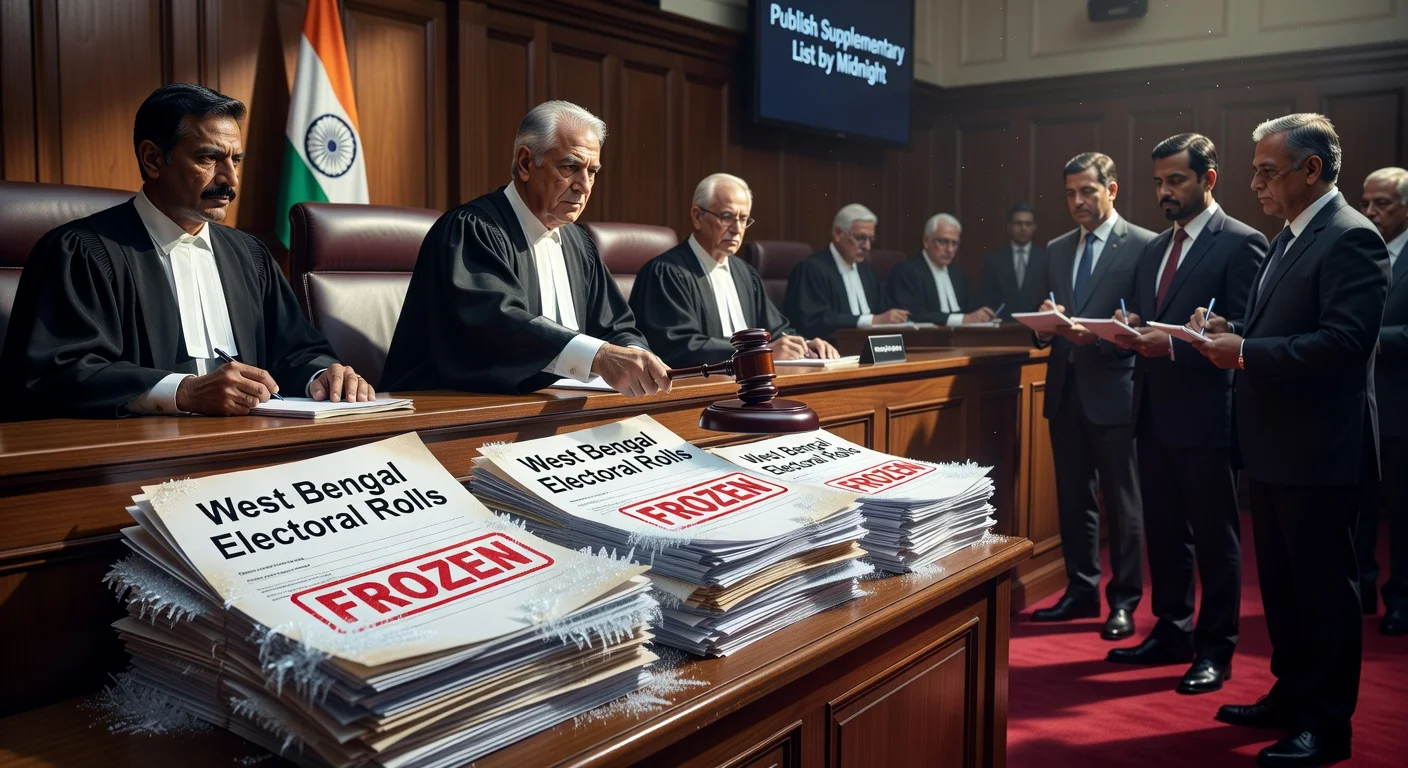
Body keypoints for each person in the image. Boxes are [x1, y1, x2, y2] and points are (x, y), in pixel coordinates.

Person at [0, 83, 369, 420]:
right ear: (153, 159)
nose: (230, 179)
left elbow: (294, 351)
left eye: (236, 160)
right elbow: (54, 373)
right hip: (134, 456)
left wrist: (323, 375)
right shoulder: (80, 252)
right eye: (209, 158)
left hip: (249, 445)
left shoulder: (251, 255)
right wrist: (183, 392)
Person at [1196, 113, 1386, 766]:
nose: (1254, 184)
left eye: (1267, 172)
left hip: (1320, 451)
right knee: (1282, 589)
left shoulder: (1352, 236)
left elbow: (1345, 343)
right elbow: (1284, 324)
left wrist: (1245, 351)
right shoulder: (1291, 235)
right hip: (1276, 446)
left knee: (1324, 596)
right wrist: (1229, 329)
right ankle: (1291, 695)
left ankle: (1327, 728)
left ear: (1312, 170)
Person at [1106, 134, 1267, 694]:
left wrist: (1171, 346)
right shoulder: (1155, 248)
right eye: (1158, 182)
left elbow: (1246, 329)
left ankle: (1215, 649)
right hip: (1152, 413)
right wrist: (1130, 329)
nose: (1164, 192)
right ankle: (1171, 630)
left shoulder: (1242, 242)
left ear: (1209, 179)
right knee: (1165, 532)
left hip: (1207, 417)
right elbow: (1150, 317)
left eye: (1176, 180)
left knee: (1215, 539)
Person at [380, 101, 669, 396]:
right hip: (445, 410)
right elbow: (497, 328)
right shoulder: (471, 229)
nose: (584, 185)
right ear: (525, 163)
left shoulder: (579, 245)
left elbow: (615, 326)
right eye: (570, 167)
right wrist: (598, 357)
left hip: (555, 409)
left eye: (592, 171)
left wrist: (636, 356)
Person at [1029, 152, 1157, 641]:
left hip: (1116, 391)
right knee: (1073, 499)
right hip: (1065, 392)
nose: (1077, 201)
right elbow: (1049, 313)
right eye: (1070, 193)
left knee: (1123, 504)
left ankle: (1123, 601)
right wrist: (1044, 326)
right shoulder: (1057, 248)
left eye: (1087, 191)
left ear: (1112, 189)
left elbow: (1145, 320)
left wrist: (1107, 335)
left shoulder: (1144, 244)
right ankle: (1081, 589)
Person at [628, 173, 837, 368]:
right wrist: (757, 352)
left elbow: (776, 331)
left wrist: (806, 345)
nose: (737, 229)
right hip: (699, 386)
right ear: (697, 217)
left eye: (743, 219)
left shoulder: (745, 273)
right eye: (727, 217)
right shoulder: (666, 273)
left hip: (750, 381)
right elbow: (679, 346)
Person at [1357, 166, 1408, 636]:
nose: (1370, 212)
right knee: (1359, 507)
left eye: (1383, 204)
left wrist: (1370, 341)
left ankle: (1402, 600)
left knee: (1402, 510)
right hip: (1354, 406)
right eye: (1366, 203)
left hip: (1398, 406)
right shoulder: (1358, 249)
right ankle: (1361, 589)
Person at [784, 204, 909, 342]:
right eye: (860, 238)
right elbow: (815, 319)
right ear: (838, 234)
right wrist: (872, 320)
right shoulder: (812, 269)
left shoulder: (866, 271)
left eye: (871, 239)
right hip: (830, 348)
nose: (867, 246)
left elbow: (884, 309)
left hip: (870, 347)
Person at [888, 214, 997, 325]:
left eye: (955, 243)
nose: (950, 249)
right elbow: (913, 315)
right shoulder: (907, 272)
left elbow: (971, 310)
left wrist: (982, 316)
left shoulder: (957, 274)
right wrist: (963, 319)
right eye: (943, 242)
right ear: (926, 241)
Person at [980, 203, 1049, 319]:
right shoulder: (994, 259)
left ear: (1034, 227)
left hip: (1036, 325)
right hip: (1003, 325)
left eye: (1028, 224)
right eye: (1018, 223)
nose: (1023, 228)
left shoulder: (1046, 258)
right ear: (1009, 226)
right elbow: (986, 298)